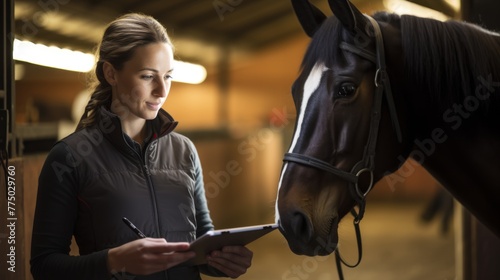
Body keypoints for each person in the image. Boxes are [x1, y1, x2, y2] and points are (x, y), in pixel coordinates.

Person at [30, 13, 253, 280]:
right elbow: (44, 266)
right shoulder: (69, 157)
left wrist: (222, 261)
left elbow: (201, 242)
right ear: (111, 73)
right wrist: (113, 261)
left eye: (168, 76)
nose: (161, 90)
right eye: (148, 76)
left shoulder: (184, 151)